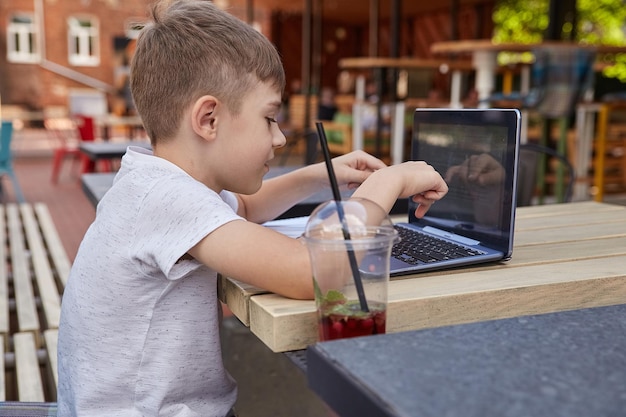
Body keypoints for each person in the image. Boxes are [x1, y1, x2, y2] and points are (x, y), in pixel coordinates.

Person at [56, 1, 448, 416]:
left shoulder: (158, 182)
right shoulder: (168, 200)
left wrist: (319, 174)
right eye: (269, 118)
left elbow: (243, 207)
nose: (279, 138)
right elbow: (311, 271)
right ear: (209, 119)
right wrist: (389, 183)